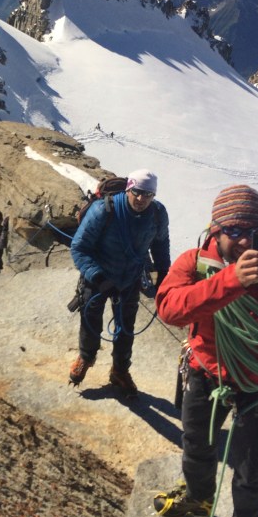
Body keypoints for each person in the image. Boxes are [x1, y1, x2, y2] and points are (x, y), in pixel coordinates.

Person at [154, 185, 258, 517]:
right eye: (234, 231)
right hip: (206, 372)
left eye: (253, 230)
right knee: (196, 443)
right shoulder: (198, 262)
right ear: (216, 230)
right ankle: (199, 496)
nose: (245, 241)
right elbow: (169, 308)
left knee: (250, 471)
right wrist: (231, 280)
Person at [68, 169, 170, 396]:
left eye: (148, 194)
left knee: (126, 327)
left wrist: (164, 273)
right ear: (128, 189)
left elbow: (160, 244)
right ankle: (86, 356)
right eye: (137, 192)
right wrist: (98, 277)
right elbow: (79, 247)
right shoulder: (103, 210)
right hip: (98, 277)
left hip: (129, 278)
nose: (141, 198)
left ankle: (120, 370)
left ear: (154, 195)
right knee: (91, 318)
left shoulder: (157, 214)